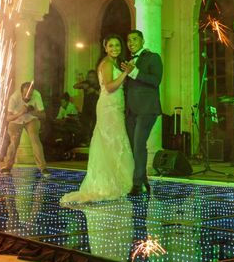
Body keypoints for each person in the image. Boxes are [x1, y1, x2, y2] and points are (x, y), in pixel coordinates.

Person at [61, 34, 134, 204]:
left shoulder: (115, 62)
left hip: (115, 106)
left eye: (117, 45)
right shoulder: (107, 63)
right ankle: (108, 182)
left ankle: (119, 179)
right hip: (108, 107)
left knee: (116, 142)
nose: (115, 48)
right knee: (111, 141)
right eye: (111, 45)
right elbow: (109, 87)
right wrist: (125, 73)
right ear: (105, 47)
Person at [121, 29, 163, 196]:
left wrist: (134, 72)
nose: (131, 43)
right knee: (134, 146)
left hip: (147, 109)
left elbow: (155, 80)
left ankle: (137, 185)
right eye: (129, 40)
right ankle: (143, 179)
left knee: (139, 145)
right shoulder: (128, 60)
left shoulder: (153, 57)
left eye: (135, 39)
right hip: (131, 111)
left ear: (143, 40)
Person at [1, 82, 50, 177]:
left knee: (35, 139)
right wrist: (20, 113)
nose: (28, 97)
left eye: (30, 94)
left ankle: (43, 167)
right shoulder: (14, 98)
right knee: (14, 141)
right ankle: (7, 166)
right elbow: (8, 118)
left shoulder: (37, 95)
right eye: (25, 94)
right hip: (16, 120)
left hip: (31, 119)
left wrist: (31, 111)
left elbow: (43, 115)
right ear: (21, 92)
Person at [73, 70, 99, 140]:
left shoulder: (98, 84)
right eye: (88, 77)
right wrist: (83, 84)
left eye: (91, 77)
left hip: (95, 110)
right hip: (86, 110)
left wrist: (94, 91)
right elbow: (75, 86)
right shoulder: (86, 83)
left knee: (94, 128)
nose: (89, 78)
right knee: (85, 128)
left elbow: (102, 93)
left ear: (95, 78)